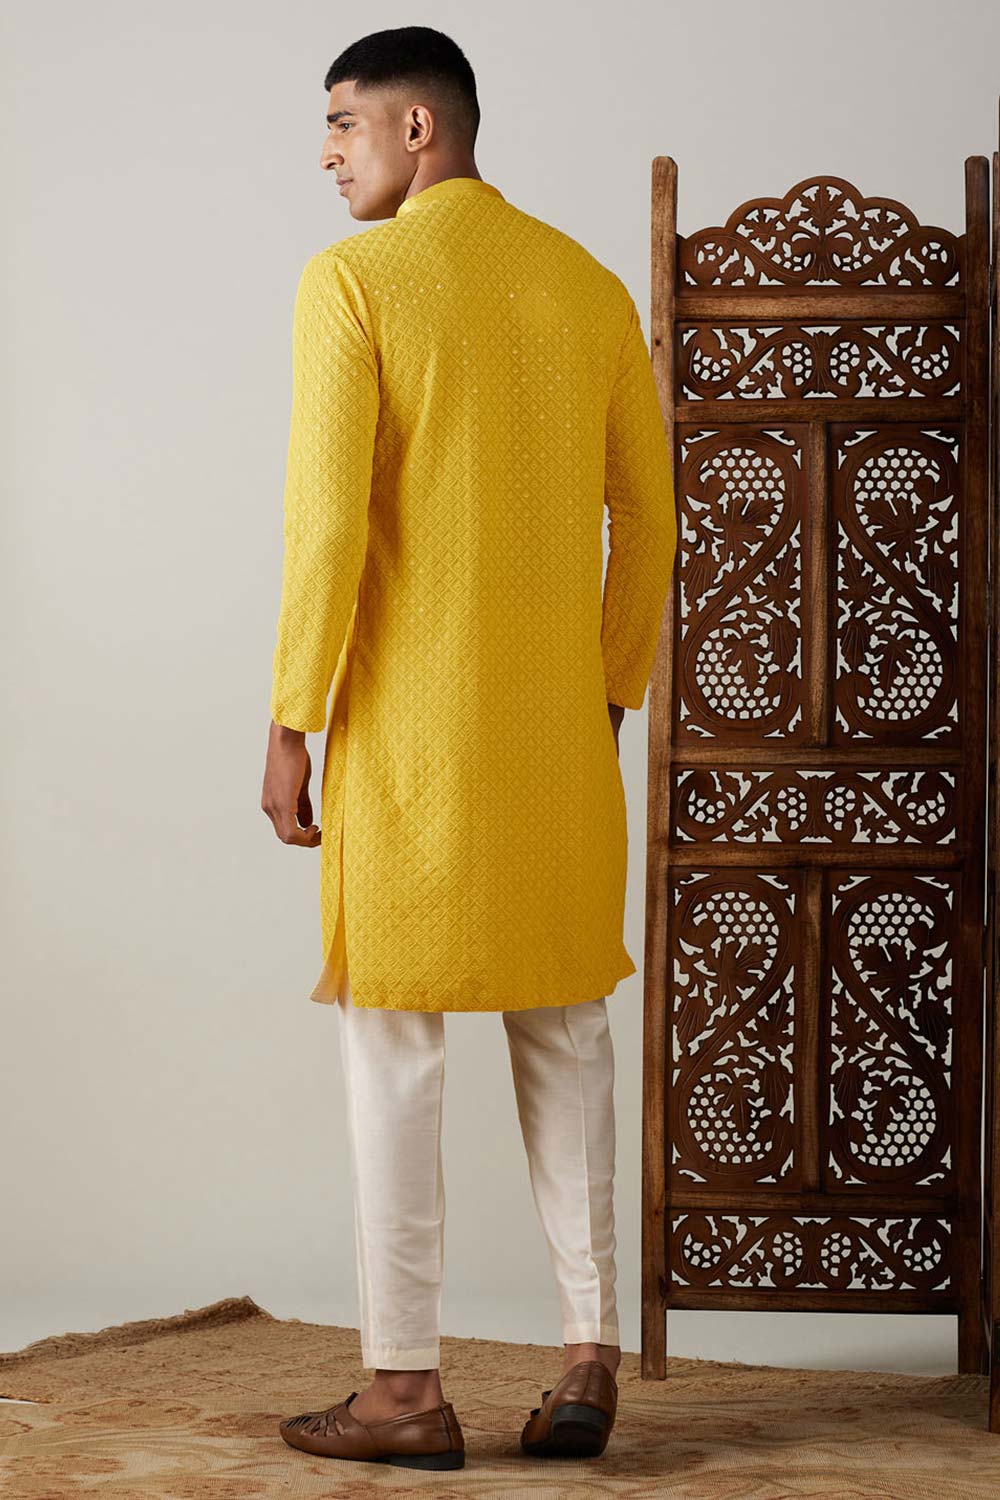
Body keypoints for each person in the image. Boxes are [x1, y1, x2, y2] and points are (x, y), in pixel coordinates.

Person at [261, 25, 676, 1472]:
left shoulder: (356, 282)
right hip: (558, 742)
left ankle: (403, 1390)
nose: (328, 154)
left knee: (394, 1042)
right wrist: (606, 695)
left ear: (418, 130)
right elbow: (652, 522)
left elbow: (327, 527)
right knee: (568, 1029)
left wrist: (293, 717)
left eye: (343, 124)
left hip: (407, 743)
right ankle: (587, 1359)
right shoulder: (588, 286)